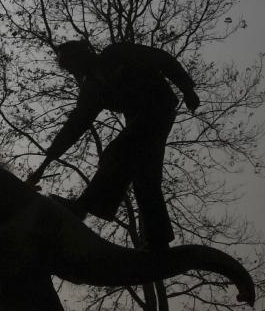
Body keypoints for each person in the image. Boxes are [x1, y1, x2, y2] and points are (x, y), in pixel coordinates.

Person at [27, 39, 200, 248]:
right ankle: (158, 240)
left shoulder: (117, 53)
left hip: (159, 107)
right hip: (140, 120)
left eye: (75, 64)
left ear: (84, 54)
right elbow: (75, 126)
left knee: (117, 152)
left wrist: (187, 88)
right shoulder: (92, 89)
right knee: (145, 177)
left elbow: (161, 59)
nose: (75, 71)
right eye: (70, 69)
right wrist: (44, 165)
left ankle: (84, 206)